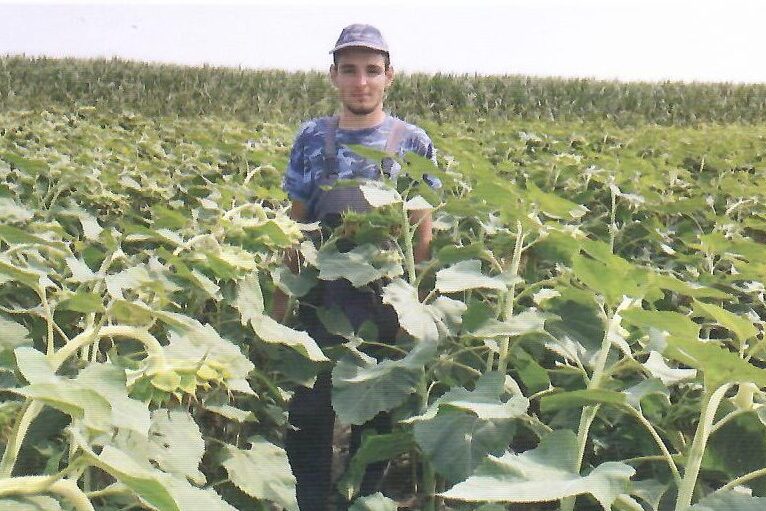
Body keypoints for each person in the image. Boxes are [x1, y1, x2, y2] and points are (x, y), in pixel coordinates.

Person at [271, 23, 436, 511]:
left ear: (389, 76)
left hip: (384, 301)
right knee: (308, 418)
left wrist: (416, 312)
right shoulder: (312, 138)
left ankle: (365, 501)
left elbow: (422, 236)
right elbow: (295, 227)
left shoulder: (411, 142)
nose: (360, 82)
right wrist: (278, 309)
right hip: (320, 299)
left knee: (375, 421)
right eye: (349, 70)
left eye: (371, 70)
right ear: (334, 76)